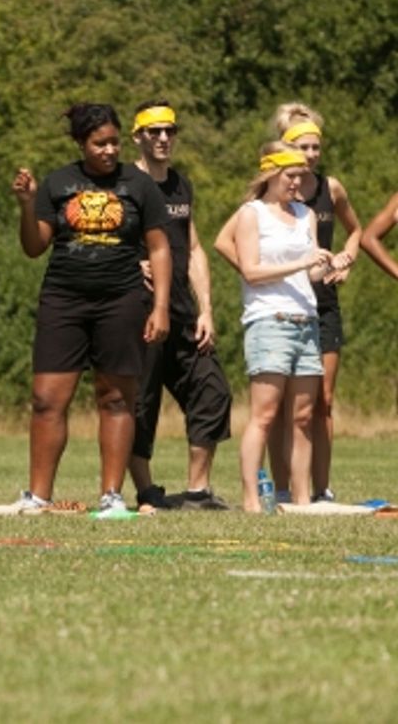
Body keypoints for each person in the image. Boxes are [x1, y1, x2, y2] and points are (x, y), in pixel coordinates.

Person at [9, 103, 171, 515]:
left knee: (116, 398)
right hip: (63, 300)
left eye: (115, 142)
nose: (109, 150)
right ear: (81, 143)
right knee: (47, 399)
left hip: (122, 300)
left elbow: (159, 247)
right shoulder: (58, 183)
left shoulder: (139, 185)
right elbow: (33, 248)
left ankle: (112, 496)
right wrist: (28, 205)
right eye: (100, 143)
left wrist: (161, 307)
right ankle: (39, 497)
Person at [125, 103, 232, 510]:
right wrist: (131, 263)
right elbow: (107, 239)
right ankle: (146, 491)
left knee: (212, 391)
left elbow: (196, 248)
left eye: (170, 131)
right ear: (138, 136)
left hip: (186, 314)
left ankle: (197, 492)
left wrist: (206, 309)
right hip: (141, 311)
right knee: (141, 402)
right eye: (154, 132)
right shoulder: (125, 182)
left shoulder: (181, 186)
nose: (163, 138)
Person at [215, 142, 331, 512]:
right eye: (291, 176)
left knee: (301, 419)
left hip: (306, 321)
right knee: (264, 416)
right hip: (270, 321)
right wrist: (301, 262)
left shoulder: (305, 214)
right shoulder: (252, 214)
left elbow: (312, 270)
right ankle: (251, 499)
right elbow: (251, 271)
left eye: (302, 176)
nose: (298, 183)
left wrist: (329, 266)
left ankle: (299, 499)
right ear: (271, 175)